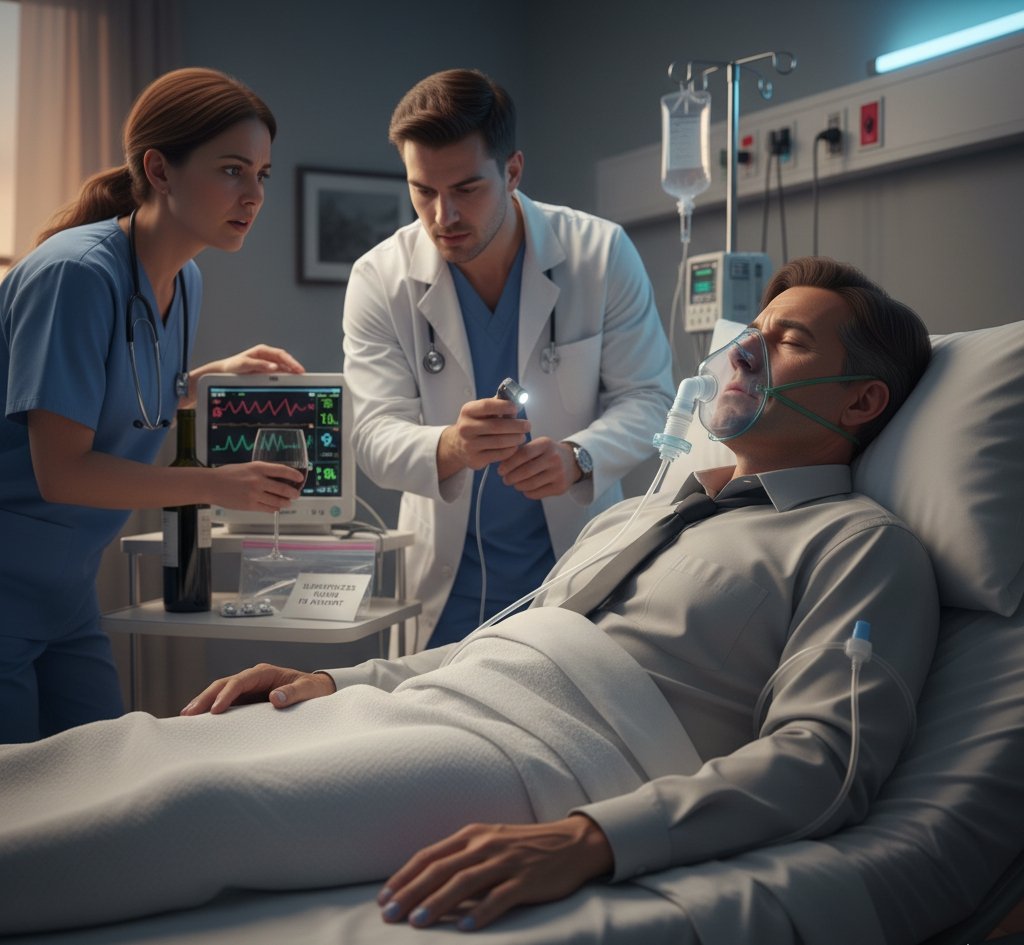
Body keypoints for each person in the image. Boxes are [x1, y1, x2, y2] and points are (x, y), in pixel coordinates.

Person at [0, 258, 939, 938]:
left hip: (559, 752)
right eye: (751, 331)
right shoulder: (636, 518)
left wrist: (593, 838)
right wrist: (346, 678)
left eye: (787, 340)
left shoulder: (858, 546)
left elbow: (823, 762)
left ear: (861, 403)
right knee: (142, 744)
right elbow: (512, 633)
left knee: (191, 807)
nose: (743, 352)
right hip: (447, 695)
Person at [0, 67, 308, 744]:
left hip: (66, 590)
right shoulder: (74, 275)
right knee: (18, 819)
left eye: (262, 173)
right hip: (7, 584)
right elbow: (64, 471)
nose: (253, 194)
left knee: (105, 786)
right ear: (159, 170)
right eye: (232, 170)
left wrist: (201, 379)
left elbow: (117, 396)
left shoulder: (183, 278)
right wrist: (218, 486)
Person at [342, 68, 674, 648]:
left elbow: (651, 399)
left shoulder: (599, 254)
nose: (443, 215)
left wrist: (580, 457)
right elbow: (370, 435)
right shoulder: (379, 279)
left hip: (574, 581)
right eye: (423, 191)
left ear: (513, 171)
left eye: (467, 189)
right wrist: (449, 446)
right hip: (445, 597)